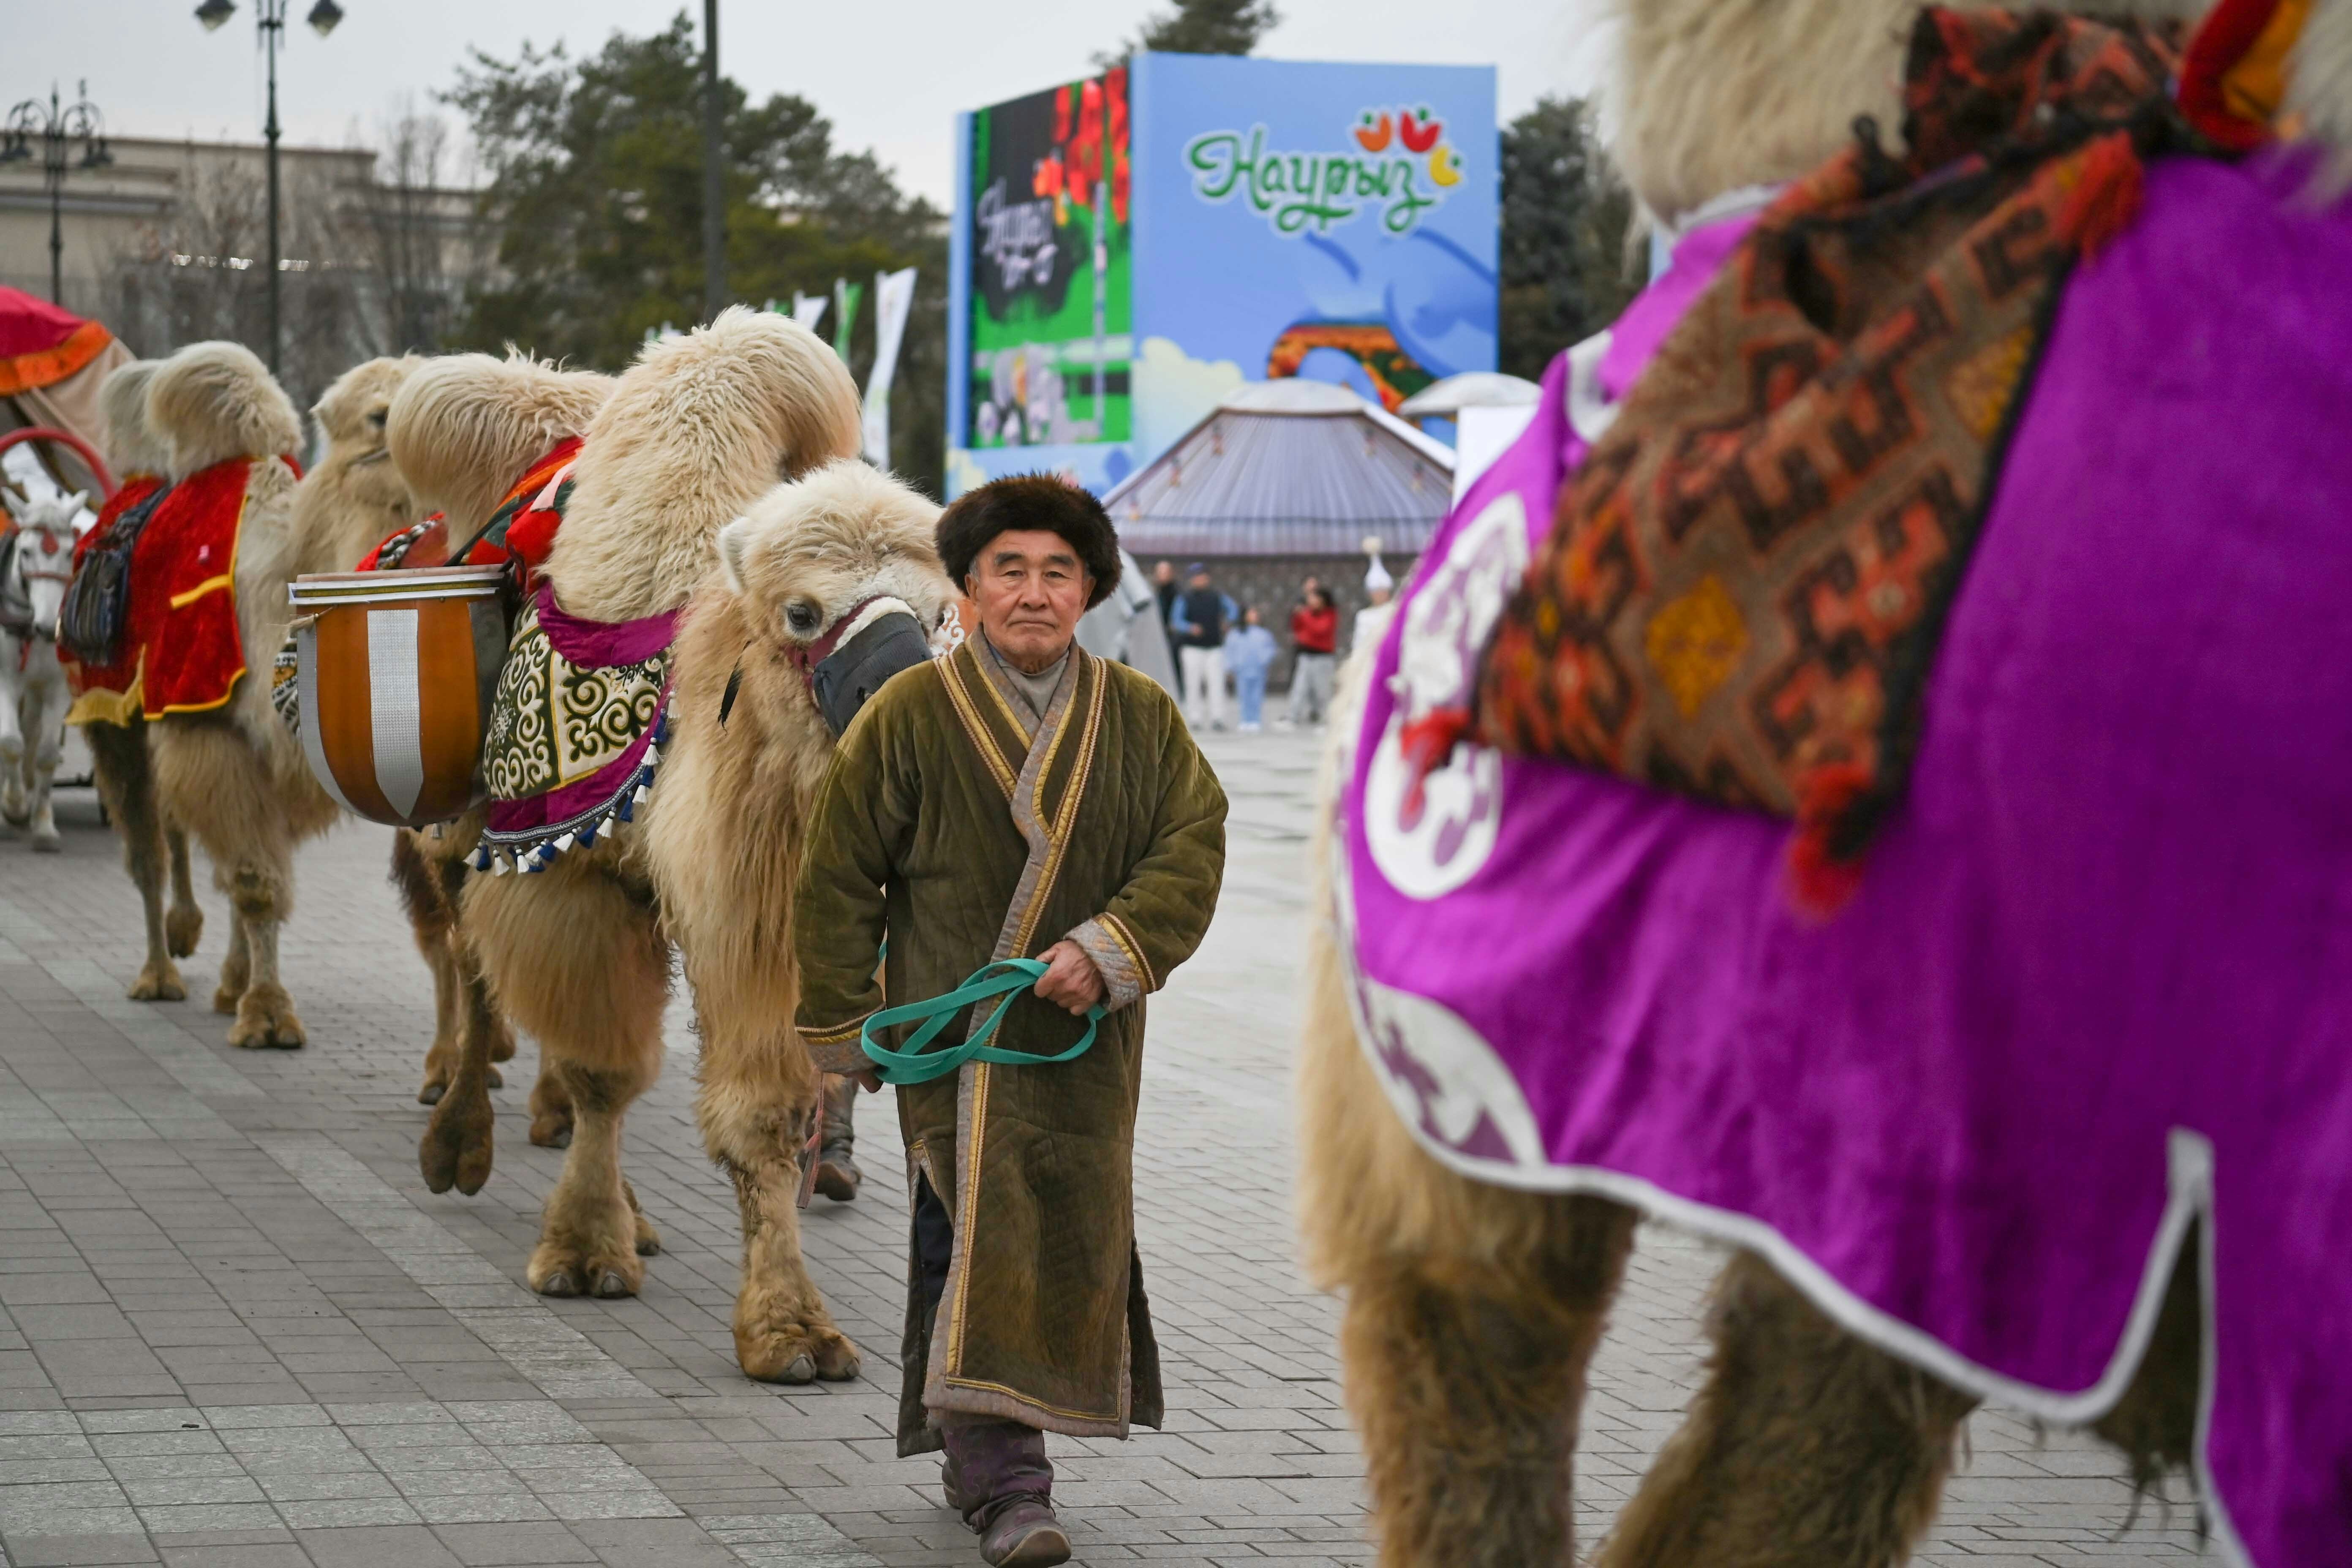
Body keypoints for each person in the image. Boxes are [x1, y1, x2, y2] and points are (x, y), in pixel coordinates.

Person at [793, 474, 1228, 1568]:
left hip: (1087, 1049)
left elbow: (1194, 840)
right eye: (1010, 571)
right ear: (971, 587)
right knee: (968, 1230)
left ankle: (970, 1445)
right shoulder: (910, 716)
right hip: (959, 1051)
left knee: (1062, 1240)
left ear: (1088, 590)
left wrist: (1115, 948)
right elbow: (838, 874)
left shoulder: (1140, 716)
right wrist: (842, 1026)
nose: (1033, 594)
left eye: (1057, 572)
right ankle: (1011, 1488)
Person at [1166, 562, 1236, 730]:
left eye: (1203, 577)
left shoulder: (1217, 596)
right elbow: (1176, 620)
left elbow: (1233, 609)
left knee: (1216, 683)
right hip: (1192, 648)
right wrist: (1190, 628)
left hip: (1214, 647)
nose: (1200, 580)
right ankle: (1195, 717)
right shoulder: (1185, 598)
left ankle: (1217, 718)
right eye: (1197, 577)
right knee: (1193, 683)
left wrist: (1227, 622)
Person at [1288, 584, 1338, 728]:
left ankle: (1327, 720)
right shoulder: (1307, 613)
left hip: (1323, 658)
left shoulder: (1330, 613)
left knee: (1323, 691)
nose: (1311, 601)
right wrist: (1298, 616)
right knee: (1299, 688)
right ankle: (1293, 716)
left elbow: (1320, 630)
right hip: (1305, 655)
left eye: (1314, 597)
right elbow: (1297, 629)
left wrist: (1304, 616)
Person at [1223, 606, 1277, 732]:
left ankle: (1255, 720)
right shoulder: (1235, 634)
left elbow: (1270, 650)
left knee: (1257, 696)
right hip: (1242, 670)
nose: (1254, 616)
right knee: (1243, 696)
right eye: (1251, 613)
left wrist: (1264, 661)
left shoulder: (1264, 634)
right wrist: (1230, 667)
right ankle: (1245, 720)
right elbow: (1229, 651)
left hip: (1258, 670)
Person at [1352, 555, 1396, 657]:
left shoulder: (1396, 612)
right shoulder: (1363, 616)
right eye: (1376, 592)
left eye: (1382, 591)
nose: (1380, 595)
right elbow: (1358, 644)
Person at [1151, 558, 1178, 628]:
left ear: (1171, 574)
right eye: (1160, 572)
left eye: (1165, 572)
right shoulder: (1151, 591)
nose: (1162, 575)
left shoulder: (1177, 593)